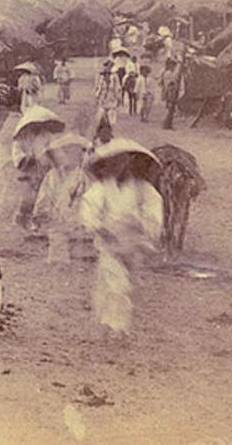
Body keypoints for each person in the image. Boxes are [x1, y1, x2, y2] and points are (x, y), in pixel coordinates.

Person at [79, 140, 163, 335]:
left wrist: (140, 223)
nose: (118, 166)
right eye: (113, 162)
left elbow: (154, 216)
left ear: (131, 163)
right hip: (110, 245)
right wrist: (98, 227)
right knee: (116, 284)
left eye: (122, 161)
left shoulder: (143, 189)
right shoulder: (102, 187)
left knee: (123, 285)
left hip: (133, 246)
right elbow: (89, 209)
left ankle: (109, 321)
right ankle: (116, 327)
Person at [32, 134, 90, 264]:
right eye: (66, 152)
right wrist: (40, 214)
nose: (70, 156)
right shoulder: (52, 175)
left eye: (75, 152)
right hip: (57, 218)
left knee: (78, 249)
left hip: (78, 218)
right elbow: (44, 195)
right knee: (57, 247)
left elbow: (89, 197)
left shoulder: (83, 176)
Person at [94, 60, 122, 128]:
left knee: (111, 116)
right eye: (107, 66)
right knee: (100, 115)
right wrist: (96, 97)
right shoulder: (100, 76)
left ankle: (109, 129)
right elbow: (97, 87)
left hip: (111, 96)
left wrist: (118, 98)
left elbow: (117, 88)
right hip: (102, 97)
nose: (108, 68)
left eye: (111, 66)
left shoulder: (114, 77)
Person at [159, 58, 185, 130]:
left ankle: (169, 124)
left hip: (175, 92)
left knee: (172, 109)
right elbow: (166, 84)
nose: (172, 66)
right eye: (171, 65)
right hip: (169, 92)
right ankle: (166, 124)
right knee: (169, 108)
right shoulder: (167, 73)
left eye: (174, 65)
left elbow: (180, 84)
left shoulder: (177, 74)